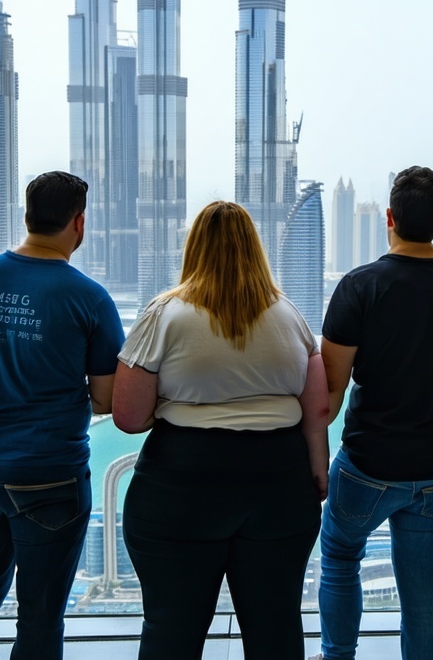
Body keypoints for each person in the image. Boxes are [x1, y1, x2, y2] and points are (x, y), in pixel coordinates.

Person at [113, 200, 327, 660]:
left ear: (193, 249)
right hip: (279, 482)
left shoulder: (164, 314)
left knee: (171, 630)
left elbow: (128, 417)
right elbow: (318, 409)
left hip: (182, 482)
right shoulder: (290, 316)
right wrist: (317, 473)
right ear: (256, 250)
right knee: (277, 629)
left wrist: (176, 402)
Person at [0, 171, 124, 659]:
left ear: (27, 216)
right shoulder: (90, 299)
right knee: (39, 613)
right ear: (79, 223)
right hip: (48, 476)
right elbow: (106, 399)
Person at [316, 166, 433, 660]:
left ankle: (337, 656)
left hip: (367, 464)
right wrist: (431, 407)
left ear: (388, 218)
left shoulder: (359, 287)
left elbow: (330, 390)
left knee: (340, 557)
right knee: (420, 589)